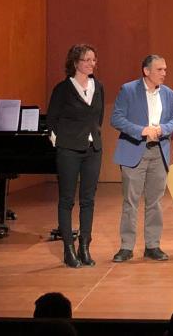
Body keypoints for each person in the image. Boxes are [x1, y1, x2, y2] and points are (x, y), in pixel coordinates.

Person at [111, 55, 173, 263]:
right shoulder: (128, 90)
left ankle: (152, 245)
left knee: (155, 201)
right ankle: (126, 246)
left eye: (165, 69)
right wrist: (142, 131)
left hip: (158, 152)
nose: (164, 73)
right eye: (159, 69)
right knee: (130, 201)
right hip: (134, 150)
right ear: (146, 71)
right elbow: (116, 118)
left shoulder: (168, 94)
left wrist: (161, 129)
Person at [47, 44, 104, 268]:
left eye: (94, 59)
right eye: (87, 59)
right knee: (67, 200)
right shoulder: (62, 89)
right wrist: (61, 142)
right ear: (75, 63)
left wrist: (92, 137)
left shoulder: (97, 86)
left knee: (88, 200)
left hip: (92, 149)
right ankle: (68, 249)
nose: (92, 63)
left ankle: (84, 247)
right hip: (68, 149)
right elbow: (52, 120)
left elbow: (97, 118)